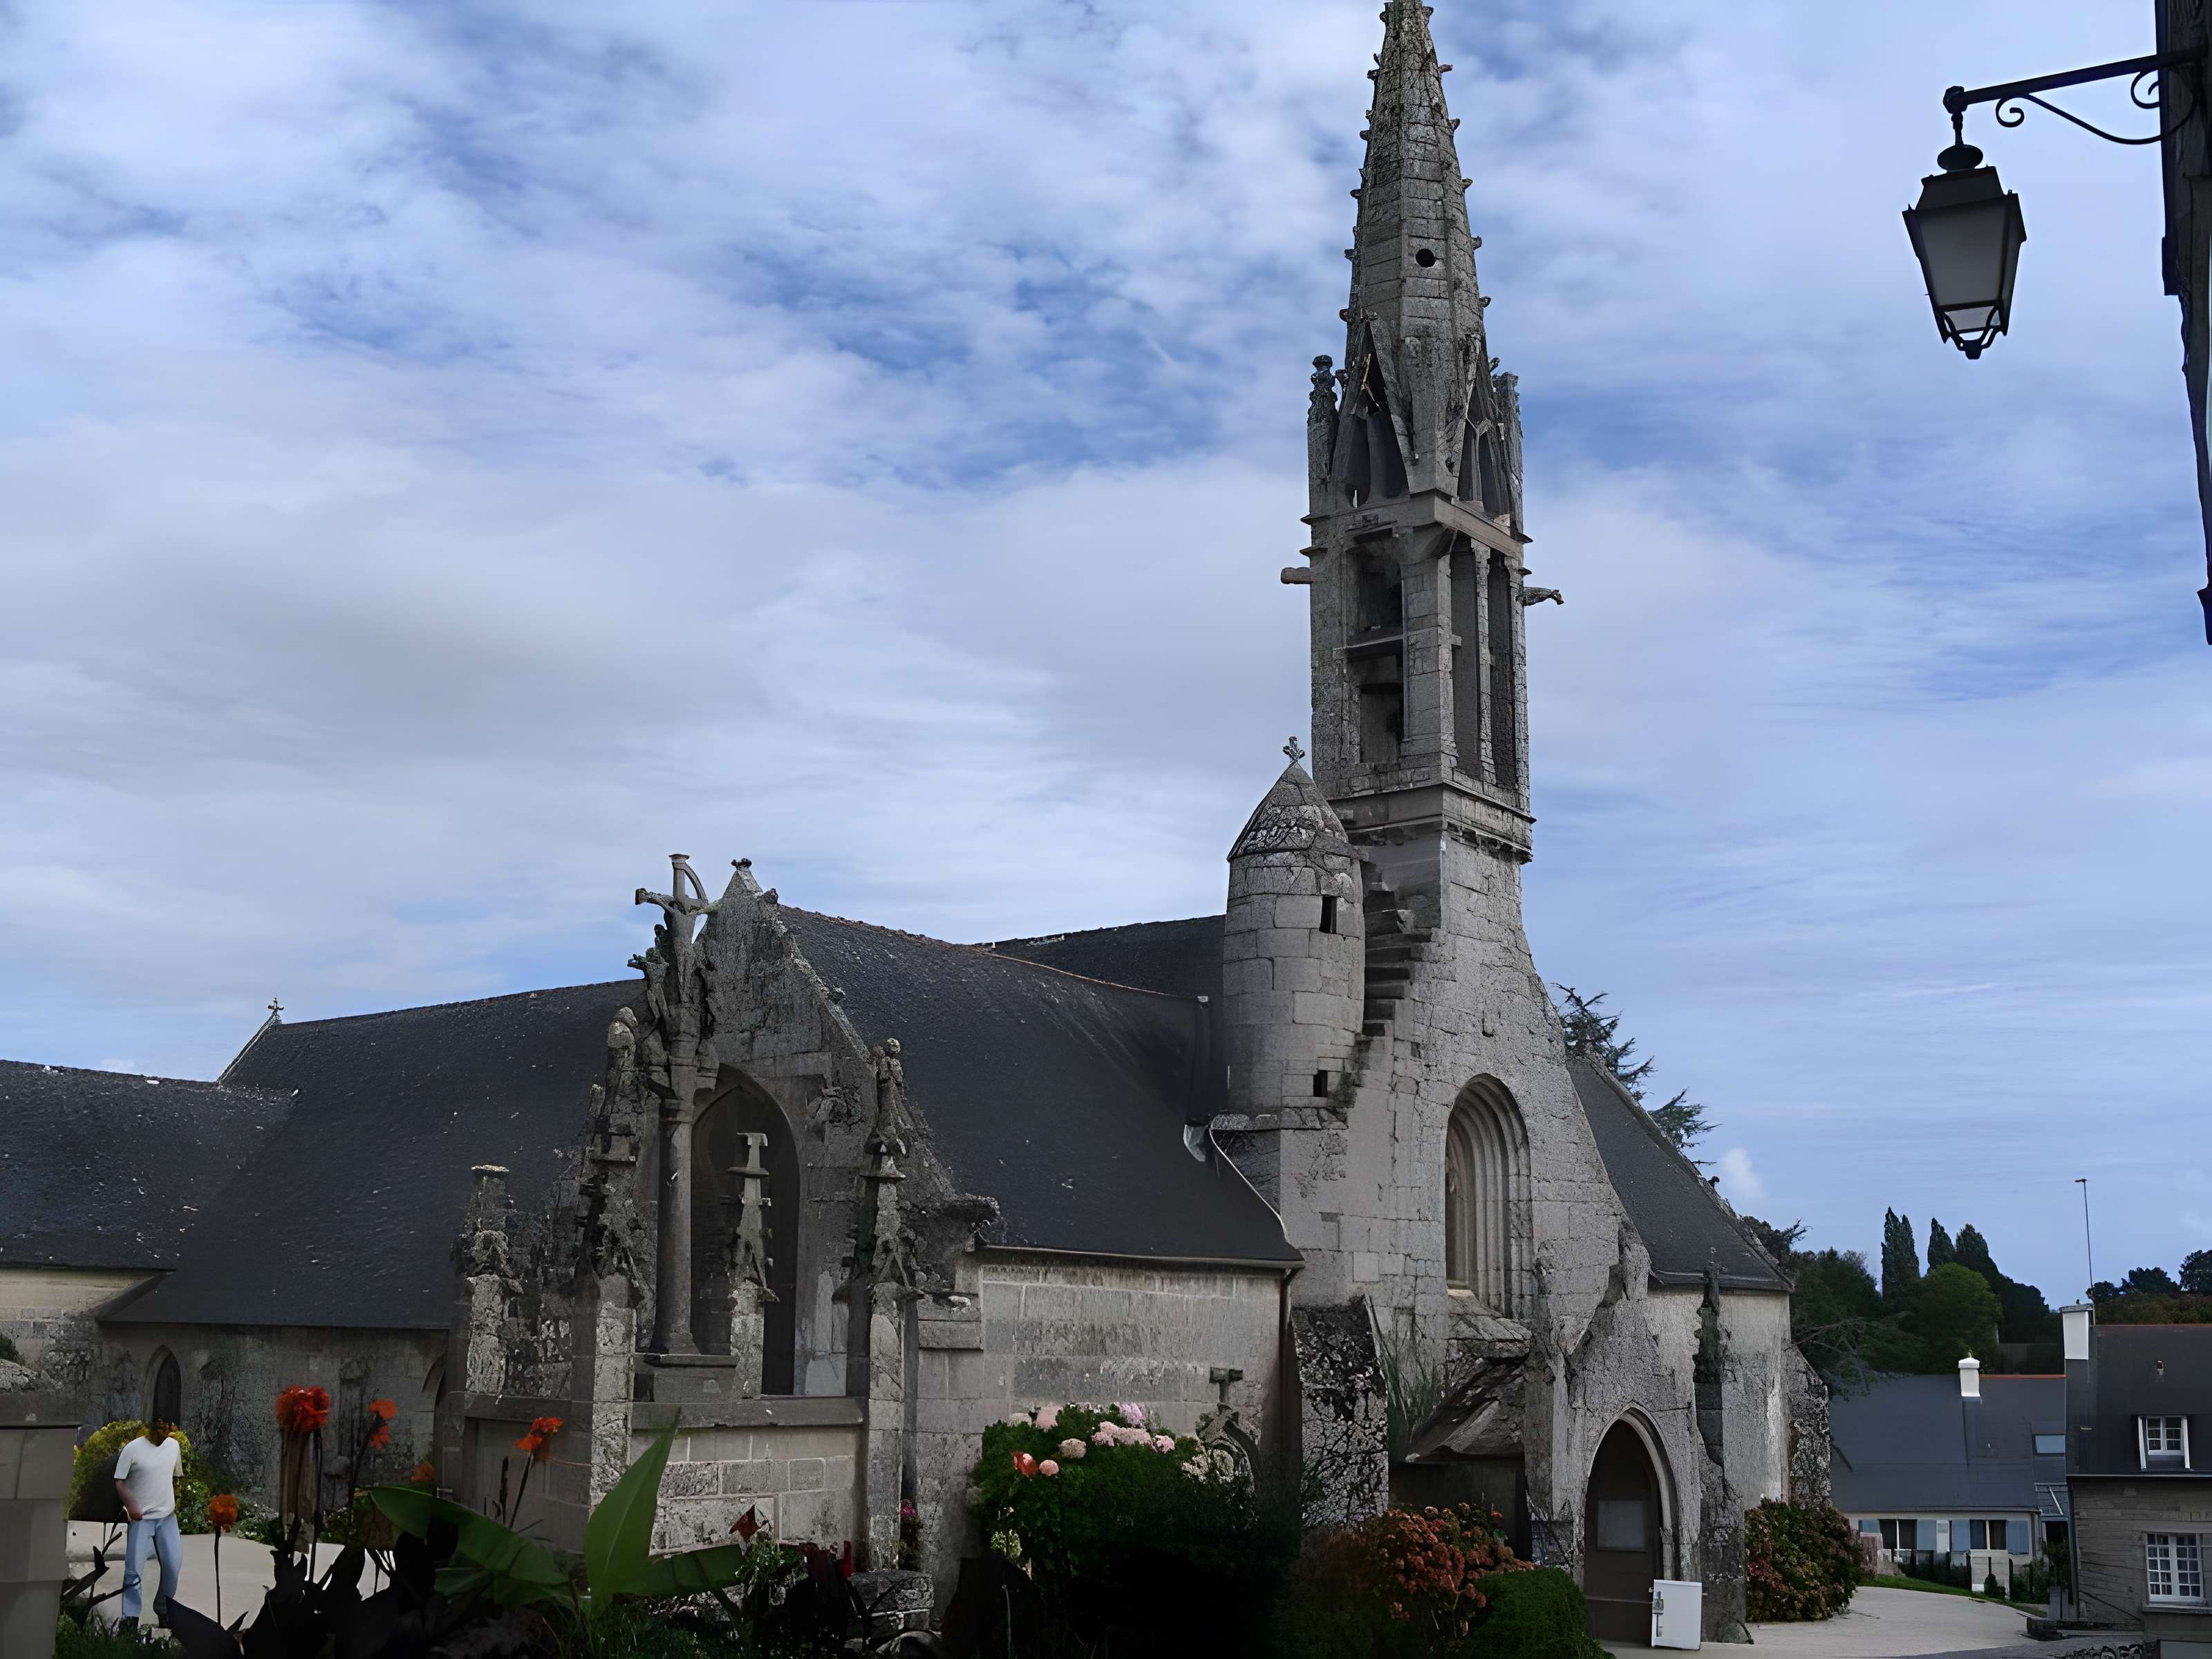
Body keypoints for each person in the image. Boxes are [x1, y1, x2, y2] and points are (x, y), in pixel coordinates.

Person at [113, 1418, 183, 1628]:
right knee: (134, 1570)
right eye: (160, 1426)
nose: (165, 1431)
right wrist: (131, 1505)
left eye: (168, 1427)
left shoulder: (174, 1446)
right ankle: (130, 1619)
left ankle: (164, 1609)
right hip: (141, 1519)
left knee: (173, 1565)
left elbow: (176, 1477)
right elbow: (119, 1480)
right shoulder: (133, 1449)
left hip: (167, 1518)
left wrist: (173, 1502)